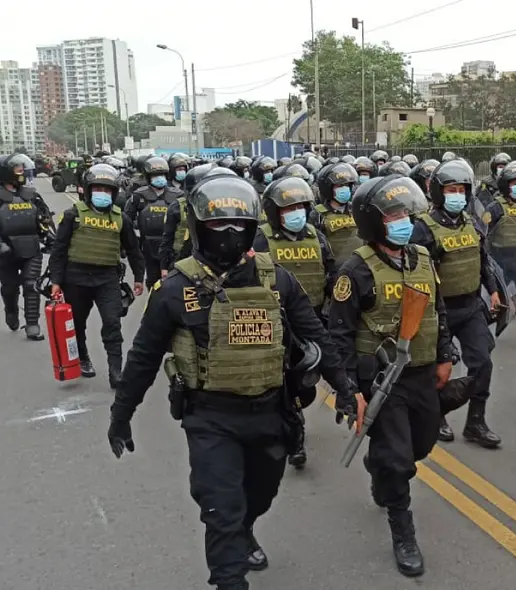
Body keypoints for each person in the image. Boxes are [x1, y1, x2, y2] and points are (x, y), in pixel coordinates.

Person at [107, 174, 345, 590]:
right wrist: (121, 415)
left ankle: (244, 529)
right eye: (218, 224)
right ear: (199, 227)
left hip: (270, 412)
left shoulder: (276, 280)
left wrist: (346, 388)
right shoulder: (174, 289)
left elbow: (316, 336)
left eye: (239, 224)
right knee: (221, 508)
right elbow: (143, 359)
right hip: (210, 419)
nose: (229, 232)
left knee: (260, 495)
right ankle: (229, 576)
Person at [327, 174, 455, 577]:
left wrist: (445, 354)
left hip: (422, 373)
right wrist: (350, 391)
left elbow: (438, 310)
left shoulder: (423, 258)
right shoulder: (355, 271)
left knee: (421, 445)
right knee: (399, 462)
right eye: (393, 216)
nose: (403, 222)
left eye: (405, 214)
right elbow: (339, 335)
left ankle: (379, 464)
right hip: (384, 380)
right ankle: (403, 532)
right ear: (373, 223)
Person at [411, 159, 502, 447]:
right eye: (452, 190)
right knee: (439, 367)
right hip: (440, 310)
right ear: (439, 192)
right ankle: (437, 413)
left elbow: (483, 260)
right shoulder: (423, 228)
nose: (458, 195)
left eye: (462, 190)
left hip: (471, 307)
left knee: (483, 363)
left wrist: (493, 290)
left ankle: (476, 421)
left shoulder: (471, 223)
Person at [253, 175, 337, 469]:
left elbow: (331, 272)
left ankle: (291, 419)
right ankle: (294, 436)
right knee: (281, 383)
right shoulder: (261, 238)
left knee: (304, 382)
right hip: (275, 323)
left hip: (310, 319)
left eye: (301, 207)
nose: (297, 213)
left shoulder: (316, 236)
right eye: (289, 209)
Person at [48, 164, 144, 386]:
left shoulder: (121, 219)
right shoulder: (73, 215)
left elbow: (133, 250)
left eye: (107, 189)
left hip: (107, 278)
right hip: (76, 278)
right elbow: (59, 250)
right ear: (89, 190)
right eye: (98, 188)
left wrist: (139, 277)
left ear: (114, 192)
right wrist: (56, 281)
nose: (103, 193)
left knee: (112, 323)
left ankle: (116, 371)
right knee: (77, 323)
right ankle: (83, 358)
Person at [0, 154, 51, 340]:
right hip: (6, 251)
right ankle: (11, 312)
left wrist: (49, 237)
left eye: (22, 169)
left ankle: (32, 324)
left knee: (31, 285)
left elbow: (45, 218)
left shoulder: (32, 195)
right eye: (17, 169)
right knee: (9, 288)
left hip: (31, 249)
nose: (21, 172)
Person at [125, 156, 184, 289]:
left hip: (172, 245)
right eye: (155, 175)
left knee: (174, 280)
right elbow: (127, 219)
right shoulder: (139, 195)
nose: (159, 178)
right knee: (153, 280)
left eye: (162, 175)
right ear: (148, 177)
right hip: (148, 244)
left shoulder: (178, 195)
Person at [482, 161, 516, 289]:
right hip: (501, 260)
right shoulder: (495, 207)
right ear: (505, 186)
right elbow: (484, 234)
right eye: (515, 184)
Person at [160, 163, 217, 275]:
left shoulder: (220, 207)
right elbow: (167, 238)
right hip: (183, 260)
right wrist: (164, 267)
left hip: (214, 260)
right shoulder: (177, 206)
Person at [313, 162, 363, 266]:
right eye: (340, 185)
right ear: (328, 188)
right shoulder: (318, 214)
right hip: (334, 269)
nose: (345, 188)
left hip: (359, 267)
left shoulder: (356, 209)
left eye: (347, 185)